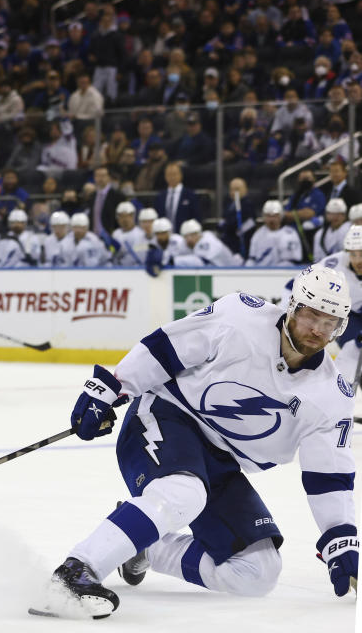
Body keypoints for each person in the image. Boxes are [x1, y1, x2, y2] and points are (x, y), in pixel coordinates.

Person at [36, 264, 357, 619]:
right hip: (166, 415)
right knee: (184, 492)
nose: (318, 329)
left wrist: (339, 538)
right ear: (293, 306)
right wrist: (111, 388)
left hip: (219, 462)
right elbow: (166, 347)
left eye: (330, 322)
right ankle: (74, 572)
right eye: (312, 315)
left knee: (257, 573)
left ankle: (145, 547)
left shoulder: (331, 395)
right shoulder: (240, 317)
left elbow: (328, 477)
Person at [317, 225, 362, 381]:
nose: (358, 260)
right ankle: (343, 387)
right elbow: (294, 284)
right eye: (353, 254)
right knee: (352, 347)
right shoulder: (333, 264)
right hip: (351, 315)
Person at [246, 200, 303, 266]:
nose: (271, 219)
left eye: (274, 216)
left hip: (283, 273)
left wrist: (274, 272)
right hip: (261, 273)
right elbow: (252, 258)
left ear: (281, 216)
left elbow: (291, 262)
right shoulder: (258, 234)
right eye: (268, 216)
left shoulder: (290, 234)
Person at [175, 220, 243, 266]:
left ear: (196, 234)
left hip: (235, 271)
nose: (187, 240)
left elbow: (201, 262)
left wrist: (175, 260)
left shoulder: (208, 242)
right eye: (185, 237)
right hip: (222, 272)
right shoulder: (195, 242)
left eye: (188, 236)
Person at [111, 202, 150, 266]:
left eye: (127, 216)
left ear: (133, 216)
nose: (125, 219)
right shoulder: (116, 233)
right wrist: (112, 249)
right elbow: (112, 252)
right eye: (122, 216)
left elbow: (139, 255)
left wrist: (122, 250)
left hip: (135, 270)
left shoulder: (141, 234)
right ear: (117, 218)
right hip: (117, 269)